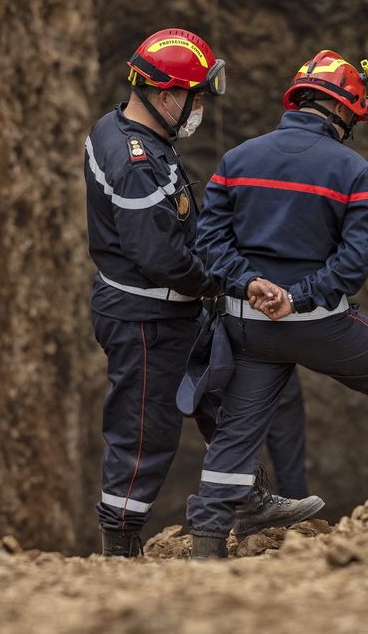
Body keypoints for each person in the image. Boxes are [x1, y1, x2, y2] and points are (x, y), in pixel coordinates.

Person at [185, 51, 368, 559]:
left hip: (247, 325)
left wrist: (251, 283)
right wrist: (296, 298)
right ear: (344, 110)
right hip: (319, 323)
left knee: (236, 433)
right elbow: (355, 260)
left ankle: (207, 544)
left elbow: (208, 242)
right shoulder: (352, 168)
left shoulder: (238, 158)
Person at [84, 28, 314, 557]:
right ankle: (119, 542)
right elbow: (163, 258)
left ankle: (248, 498)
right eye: (195, 97)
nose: (198, 109)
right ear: (165, 94)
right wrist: (224, 284)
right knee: (144, 430)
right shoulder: (137, 163)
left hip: (169, 312)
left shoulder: (118, 130)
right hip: (146, 317)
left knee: (223, 401)